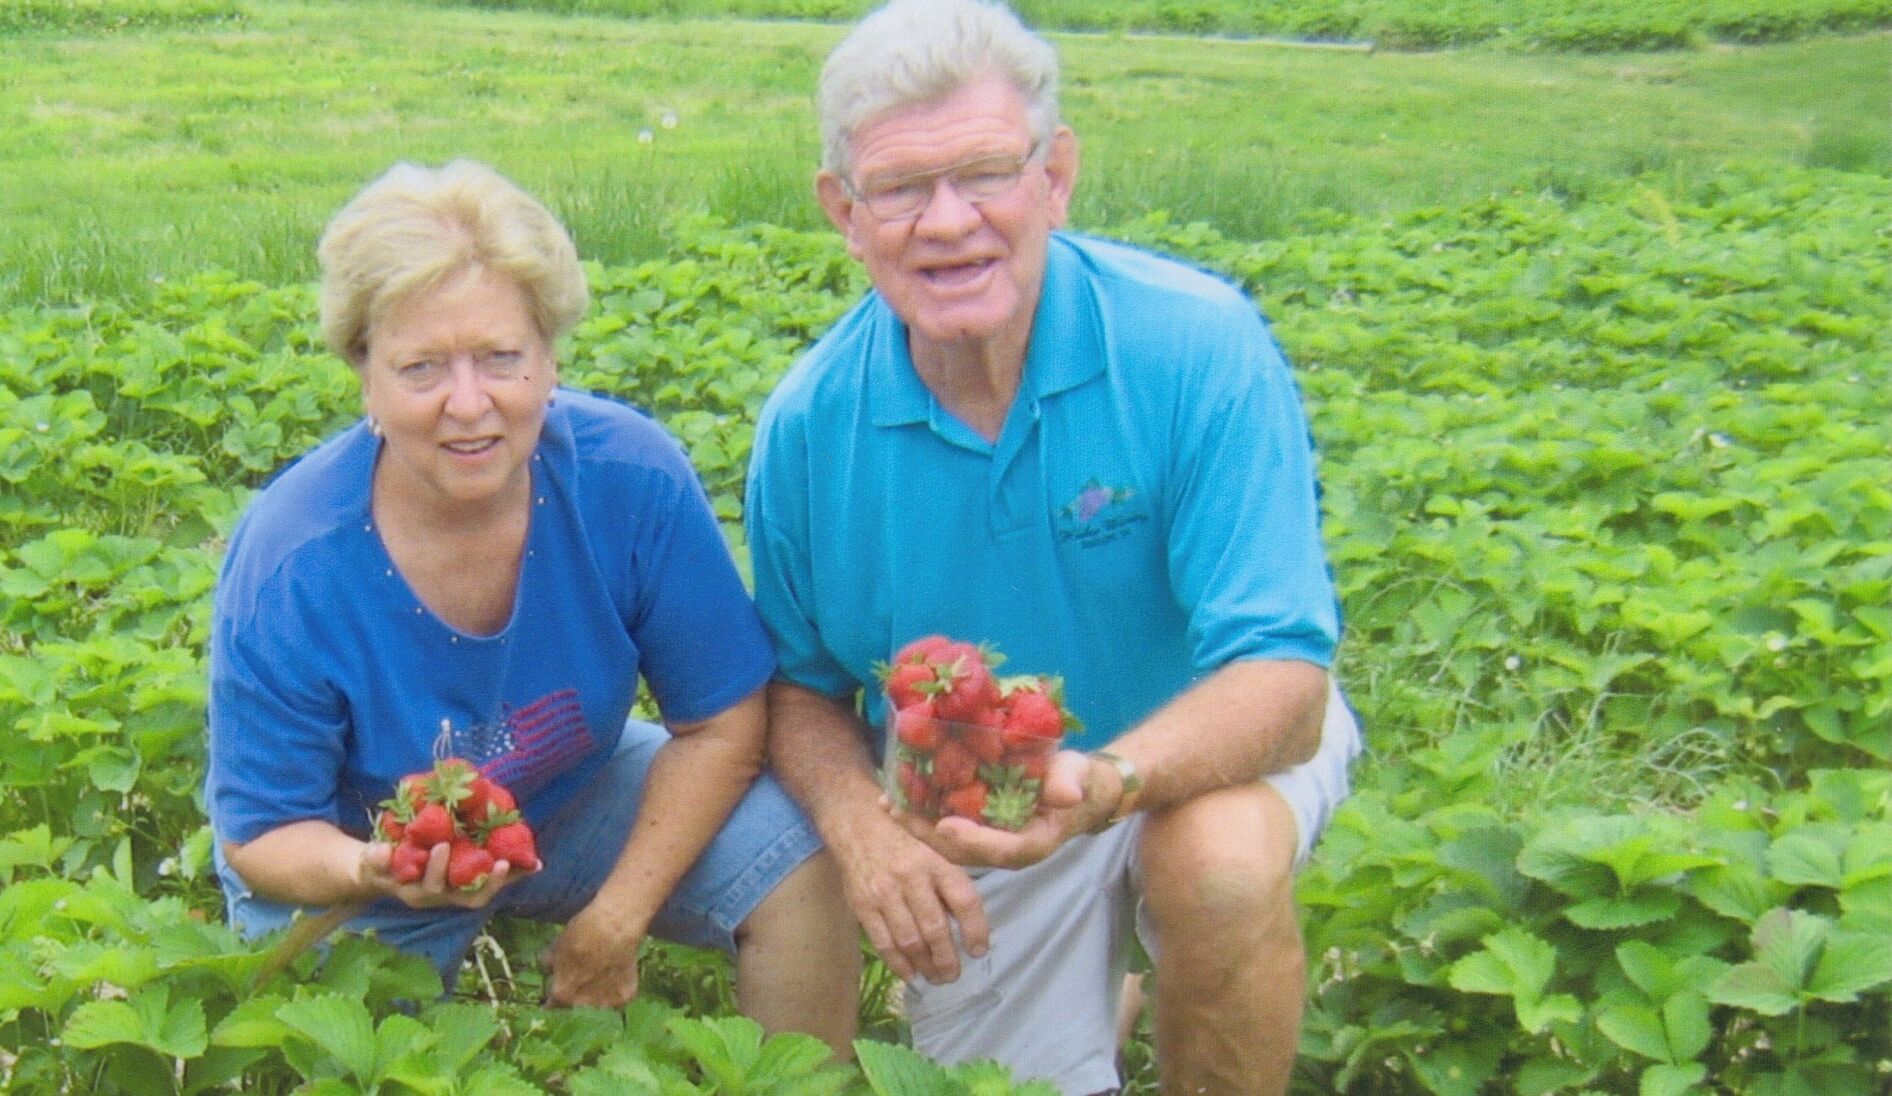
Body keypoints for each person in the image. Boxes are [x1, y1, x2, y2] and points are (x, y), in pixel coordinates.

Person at [744, 1, 1363, 1091]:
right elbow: (800, 690)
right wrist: (863, 828)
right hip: (976, 806)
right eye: (898, 189)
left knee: (1206, 866)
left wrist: (1105, 778)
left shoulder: (1193, 345)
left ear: (1054, 177)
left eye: (985, 172)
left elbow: (1283, 677)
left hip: (1200, 738)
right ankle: (1105, 991)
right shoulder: (808, 426)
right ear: (843, 211)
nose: (946, 223)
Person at [205, 159, 858, 1051]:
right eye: (421, 366)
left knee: (797, 856)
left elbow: (723, 721)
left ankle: (797, 1078)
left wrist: (618, 914)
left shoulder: (626, 477)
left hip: (565, 790)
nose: (468, 404)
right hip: (357, 848)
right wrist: (376, 866)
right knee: (363, 1051)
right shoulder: (295, 561)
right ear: (364, 373)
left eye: (502, 358)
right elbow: (264, 830)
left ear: (551, 359)